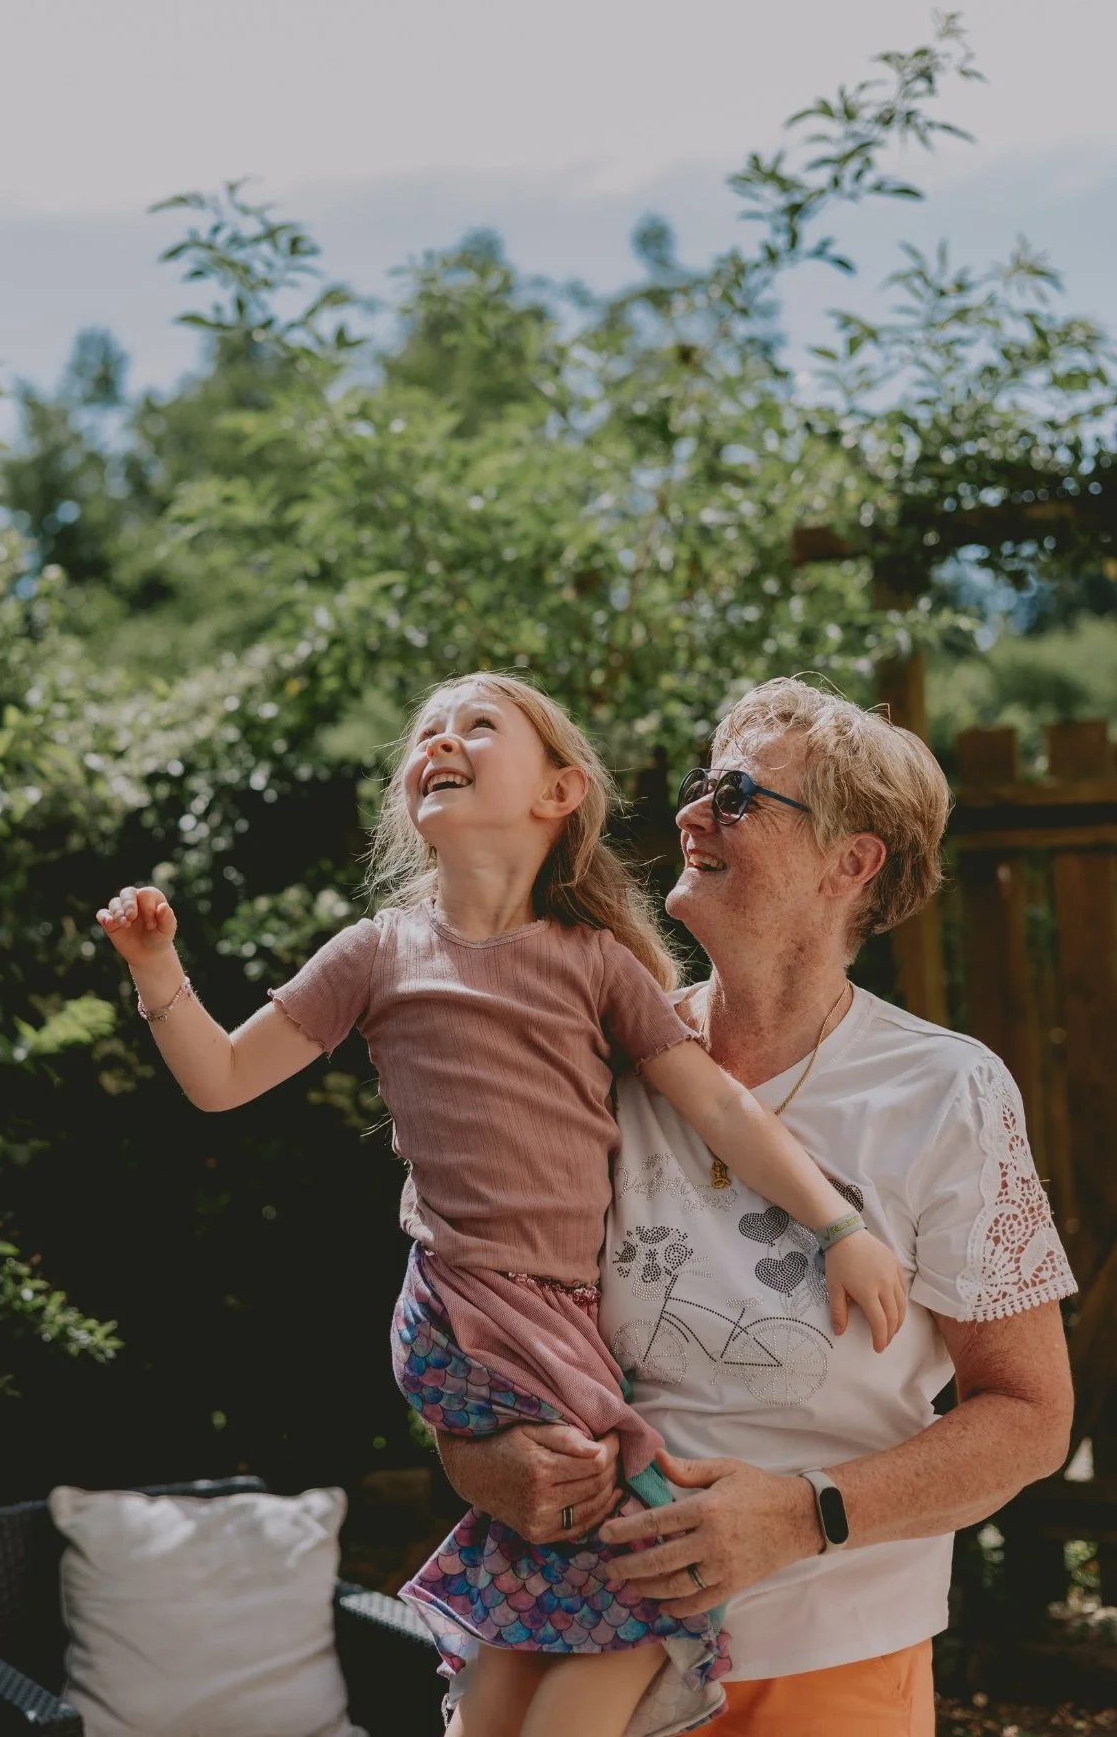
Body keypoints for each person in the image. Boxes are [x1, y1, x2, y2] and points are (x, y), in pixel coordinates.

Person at [96, 672, 907, 1737]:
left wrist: (839, 1225)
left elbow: (719, 1108)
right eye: (425, 729)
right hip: (471, 1313)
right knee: (644, 1577)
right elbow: (221, 1078)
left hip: (550, 1321)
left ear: (558, 791)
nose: (439, 737)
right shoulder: (379, 954)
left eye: (477, 725)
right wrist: (158, 971)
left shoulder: (593, 965)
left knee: (541, 1615)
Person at [436, 677, 1077, 1737]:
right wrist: (488, 1463)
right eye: (699, 786)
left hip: (824, 1661)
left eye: (734, 795)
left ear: (849, 861)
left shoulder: (942, 1093)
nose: (689, 813)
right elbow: (467, 1325)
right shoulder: (585, 1056)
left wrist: (805, 1514)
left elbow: (1026, 1417)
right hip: (563, 1641)